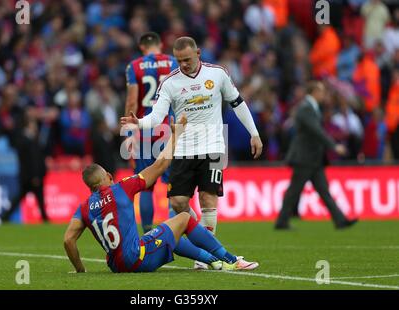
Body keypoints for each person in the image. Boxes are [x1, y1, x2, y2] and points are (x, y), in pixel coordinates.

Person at [121, 36, 263, 269]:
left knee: (208, 199)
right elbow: (157, 117)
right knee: (178, 203)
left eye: (187, 59)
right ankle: (207, 246)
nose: (183, 64)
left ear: (198, 53)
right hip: (183, 149)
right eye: (179, 60)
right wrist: (140, 123)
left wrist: (254, 133)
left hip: (214, 146)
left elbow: (237, 102)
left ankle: (205, 256)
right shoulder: (169, 82)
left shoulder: (217, 74)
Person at [63, 115, 259, 273]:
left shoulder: (84, 207)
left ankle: (212, 261)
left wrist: (80, 270)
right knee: (183, 218)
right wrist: (176, 135)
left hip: (116, 266)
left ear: (90, 187)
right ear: (108, 175)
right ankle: (230, 260)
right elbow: (161, 165)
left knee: (164, 233)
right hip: (137, 259)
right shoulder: (121, 187)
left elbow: (68, 240)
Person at [275, 81, 358, 230]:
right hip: (305, 158)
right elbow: (316, 130)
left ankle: (340, 220)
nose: (323, 95)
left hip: (313, 158)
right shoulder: (306, 108)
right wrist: (333, 146)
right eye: (321, 92)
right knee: (294, 191)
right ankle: (281, 221)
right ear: (314, 92)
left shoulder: (310, 107)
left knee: (321, 191)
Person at [124, 32, 178, 233]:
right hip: (168, 128)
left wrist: (127, 134)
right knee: (174, 182)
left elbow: (131, 101)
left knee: (146, 184)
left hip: (144, 130)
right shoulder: (174, 63)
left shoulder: (134, 66)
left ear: (141, 47)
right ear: (161, 44)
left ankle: (148, 232)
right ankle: (174, 231)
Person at [1, 118, 48, 223]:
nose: (35, 127)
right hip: (30, 176)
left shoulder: (28, 139)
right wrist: (35, 175)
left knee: (25, 197)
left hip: (28, 176)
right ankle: (45, 219)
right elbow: (32, 161)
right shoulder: (27, 140)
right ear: (29, 126)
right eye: (33, 124)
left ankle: (5, 216)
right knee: (38, 198)